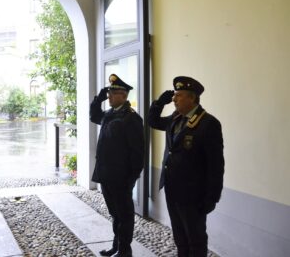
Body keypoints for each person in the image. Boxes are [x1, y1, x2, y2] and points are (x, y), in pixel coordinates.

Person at [148, 76, 224, 257]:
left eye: (178, 95)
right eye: (174, 95)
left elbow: (216, 165)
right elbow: (153, 121)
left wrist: (212, 197)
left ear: (192, 98)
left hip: (193, 194)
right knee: (179, 235)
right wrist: (159, 103)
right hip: (172, 189)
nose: (174, 98)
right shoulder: (176, 118)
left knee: (195, 239)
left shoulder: (208, 123)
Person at [90, 74, 145, 257]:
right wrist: (99, 98)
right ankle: (116, 246)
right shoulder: (110, 114)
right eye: (109, 93)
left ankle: (125, 250)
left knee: (125, 215)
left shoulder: (131, 118)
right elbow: (94, 115)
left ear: (124, 95)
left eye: (113, 93)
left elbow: (138, 153)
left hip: (121, 177)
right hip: (106, 174)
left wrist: (131, 178)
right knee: (115, 214)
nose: (110, 96)